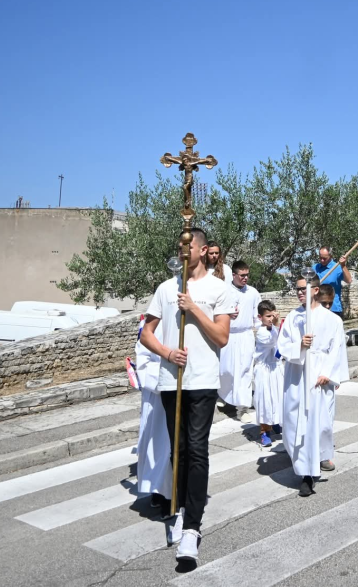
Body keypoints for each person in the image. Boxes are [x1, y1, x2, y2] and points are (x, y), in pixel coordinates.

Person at [139, 227, 235, 566]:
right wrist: (167, 353)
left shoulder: (219, 289)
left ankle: (192, 526)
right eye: (179, 245)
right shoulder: (166, 288)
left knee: (197, 449)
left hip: (203, 380)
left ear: (203, 249)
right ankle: (178, 510)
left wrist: (194, 308)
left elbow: (222, 337)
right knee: (177, 450)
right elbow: (145, 333)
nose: (182, 251)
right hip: (171, 381)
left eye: (188, 245)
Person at [277, 276, 350, 497]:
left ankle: (310, 470)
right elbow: (282, 346)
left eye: (303, 289)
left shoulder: (331, 319)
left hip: (319, 378)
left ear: (315, 290)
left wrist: (327, 373)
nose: (299, 293)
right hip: (297, 376)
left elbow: (336, 349)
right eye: (297, 289)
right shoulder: (293, 317)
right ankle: (304, 468)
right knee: (293, 426)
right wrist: (299, 345)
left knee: (318, 426)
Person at [134, 315, 171, 509]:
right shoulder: (149, 324)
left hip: (182, 389)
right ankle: (158, 490)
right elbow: (143, 360)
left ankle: (172, 492)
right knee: (157, 445)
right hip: (157, 395)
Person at [219, 261, 260, 421]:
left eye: (247, 275)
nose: (245, 278)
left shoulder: (253, 292)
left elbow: (257, 316)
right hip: (227, 336)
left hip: (245, 336)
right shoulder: (223, 292)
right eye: (242, 275)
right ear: (234, 275)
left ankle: (242, 408)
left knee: (245, 371)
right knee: (226, 371)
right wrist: (227, 315)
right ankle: (224, 395)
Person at [252, 300, 283, 447]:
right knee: (265, 400)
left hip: (276, 367)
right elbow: (272, 341)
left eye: (272, 315)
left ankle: (276, 422)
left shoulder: (274, 328)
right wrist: (276, 325)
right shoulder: (261, 332)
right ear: (260, 317)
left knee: (278, 397)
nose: (271, 319)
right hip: (264, 369)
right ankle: (264, 431)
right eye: (267, 316)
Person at [313, 247, 352, 320]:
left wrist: (343, 265)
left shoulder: (337, 267)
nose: (322, 260)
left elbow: (349, 280)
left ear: (330, 256)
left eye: (324, 258)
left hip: (333, 308)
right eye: (320, 257)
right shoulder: (315, 268)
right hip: (317, 307)